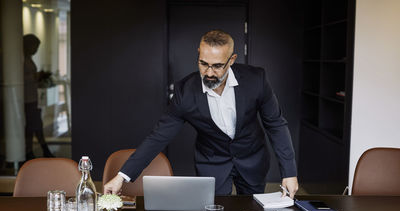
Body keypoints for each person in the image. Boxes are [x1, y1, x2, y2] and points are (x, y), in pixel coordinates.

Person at [104, 30, 298, 197]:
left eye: (217, 66)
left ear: (232, 60)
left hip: (252, 158)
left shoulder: (256, 79)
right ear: (198, 54)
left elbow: (276, 125)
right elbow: (158, 137)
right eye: (203, 63)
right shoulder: (184, 92)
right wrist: (122, 176)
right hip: (212, 162)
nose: (209, 73)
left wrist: (289, 172)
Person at [23, 34, 54, 160]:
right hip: (27, 99)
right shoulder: (21, 60)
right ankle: (37, 150)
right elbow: (20, 78)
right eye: (35, 47)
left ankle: (36, 150)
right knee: (33, 125)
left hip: (31, 97)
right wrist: (36, 77)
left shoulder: (28, 59)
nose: (36, 50)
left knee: (35, 125)